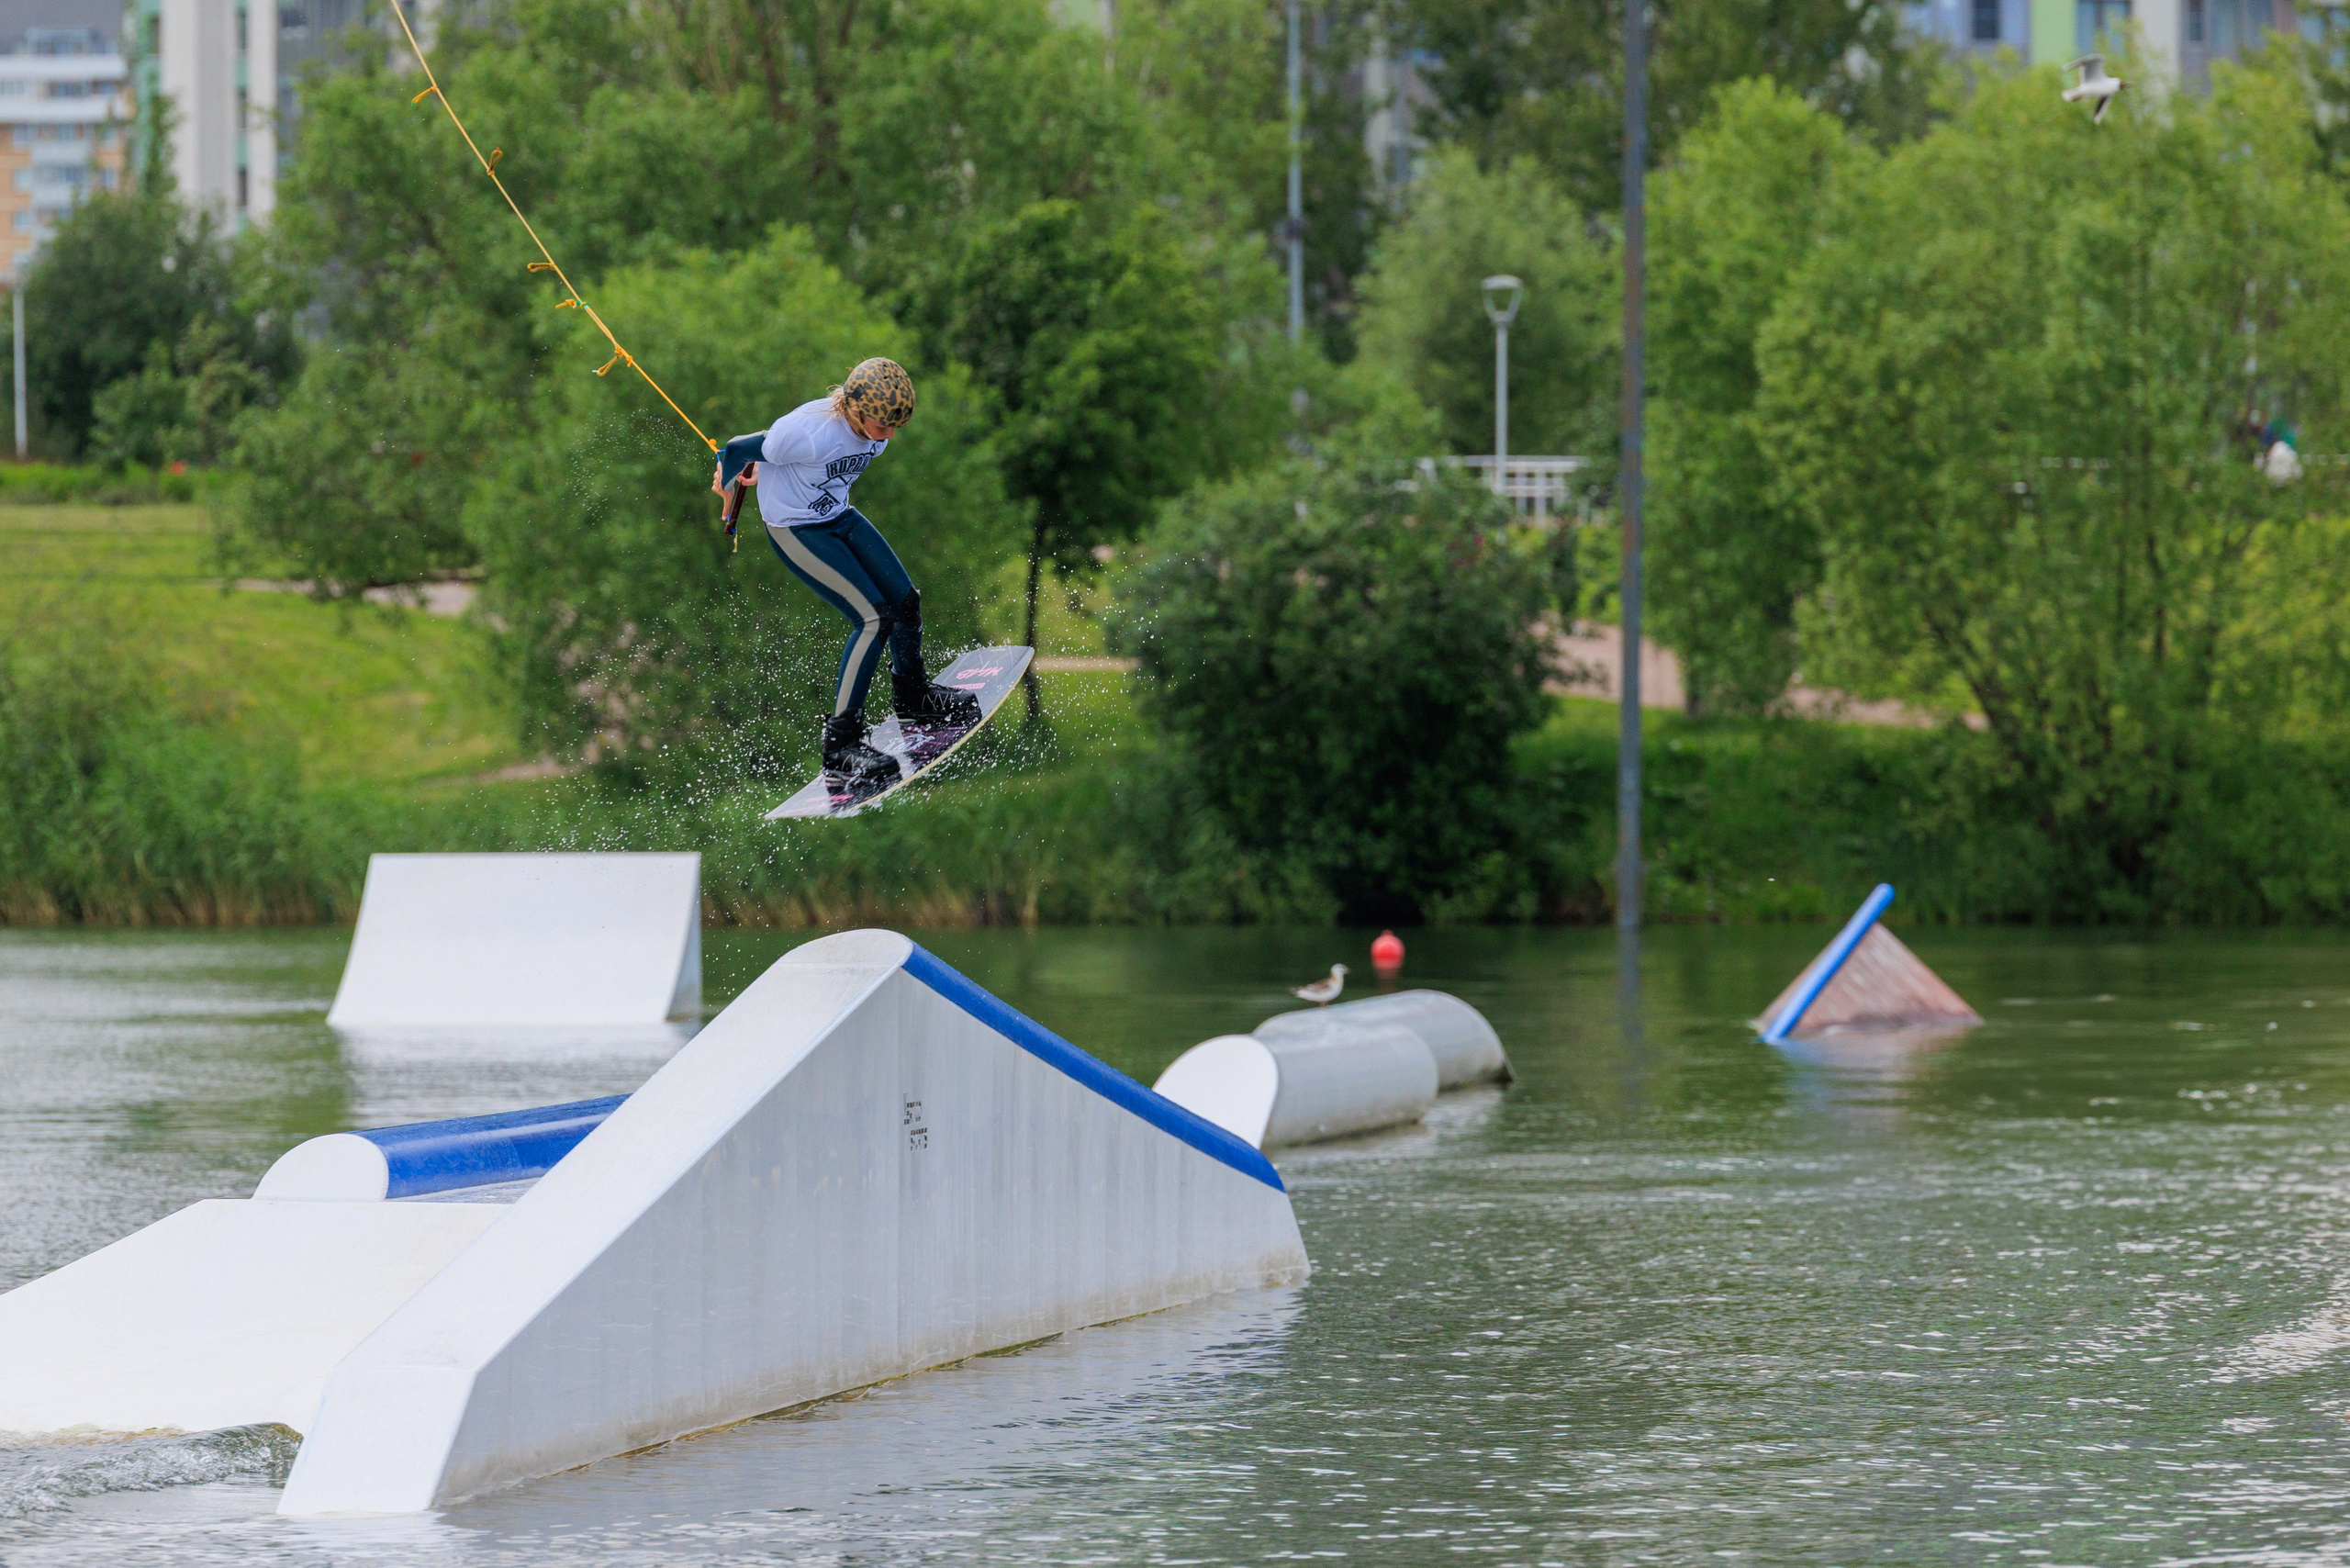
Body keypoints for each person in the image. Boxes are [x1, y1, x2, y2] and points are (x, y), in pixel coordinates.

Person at [714, 358, 979, 790]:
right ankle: (840, 749)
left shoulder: (878, 430)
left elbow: (807, 467)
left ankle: (914, 701)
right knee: (874, 618)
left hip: (838, 516)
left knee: (904, 602)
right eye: (882, 425)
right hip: (796, 529)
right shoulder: (805, 431)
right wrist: (728, 485)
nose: (890, 435)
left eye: (896, 426)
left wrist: (770, 469)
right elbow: (738, 447)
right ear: (854, 409)